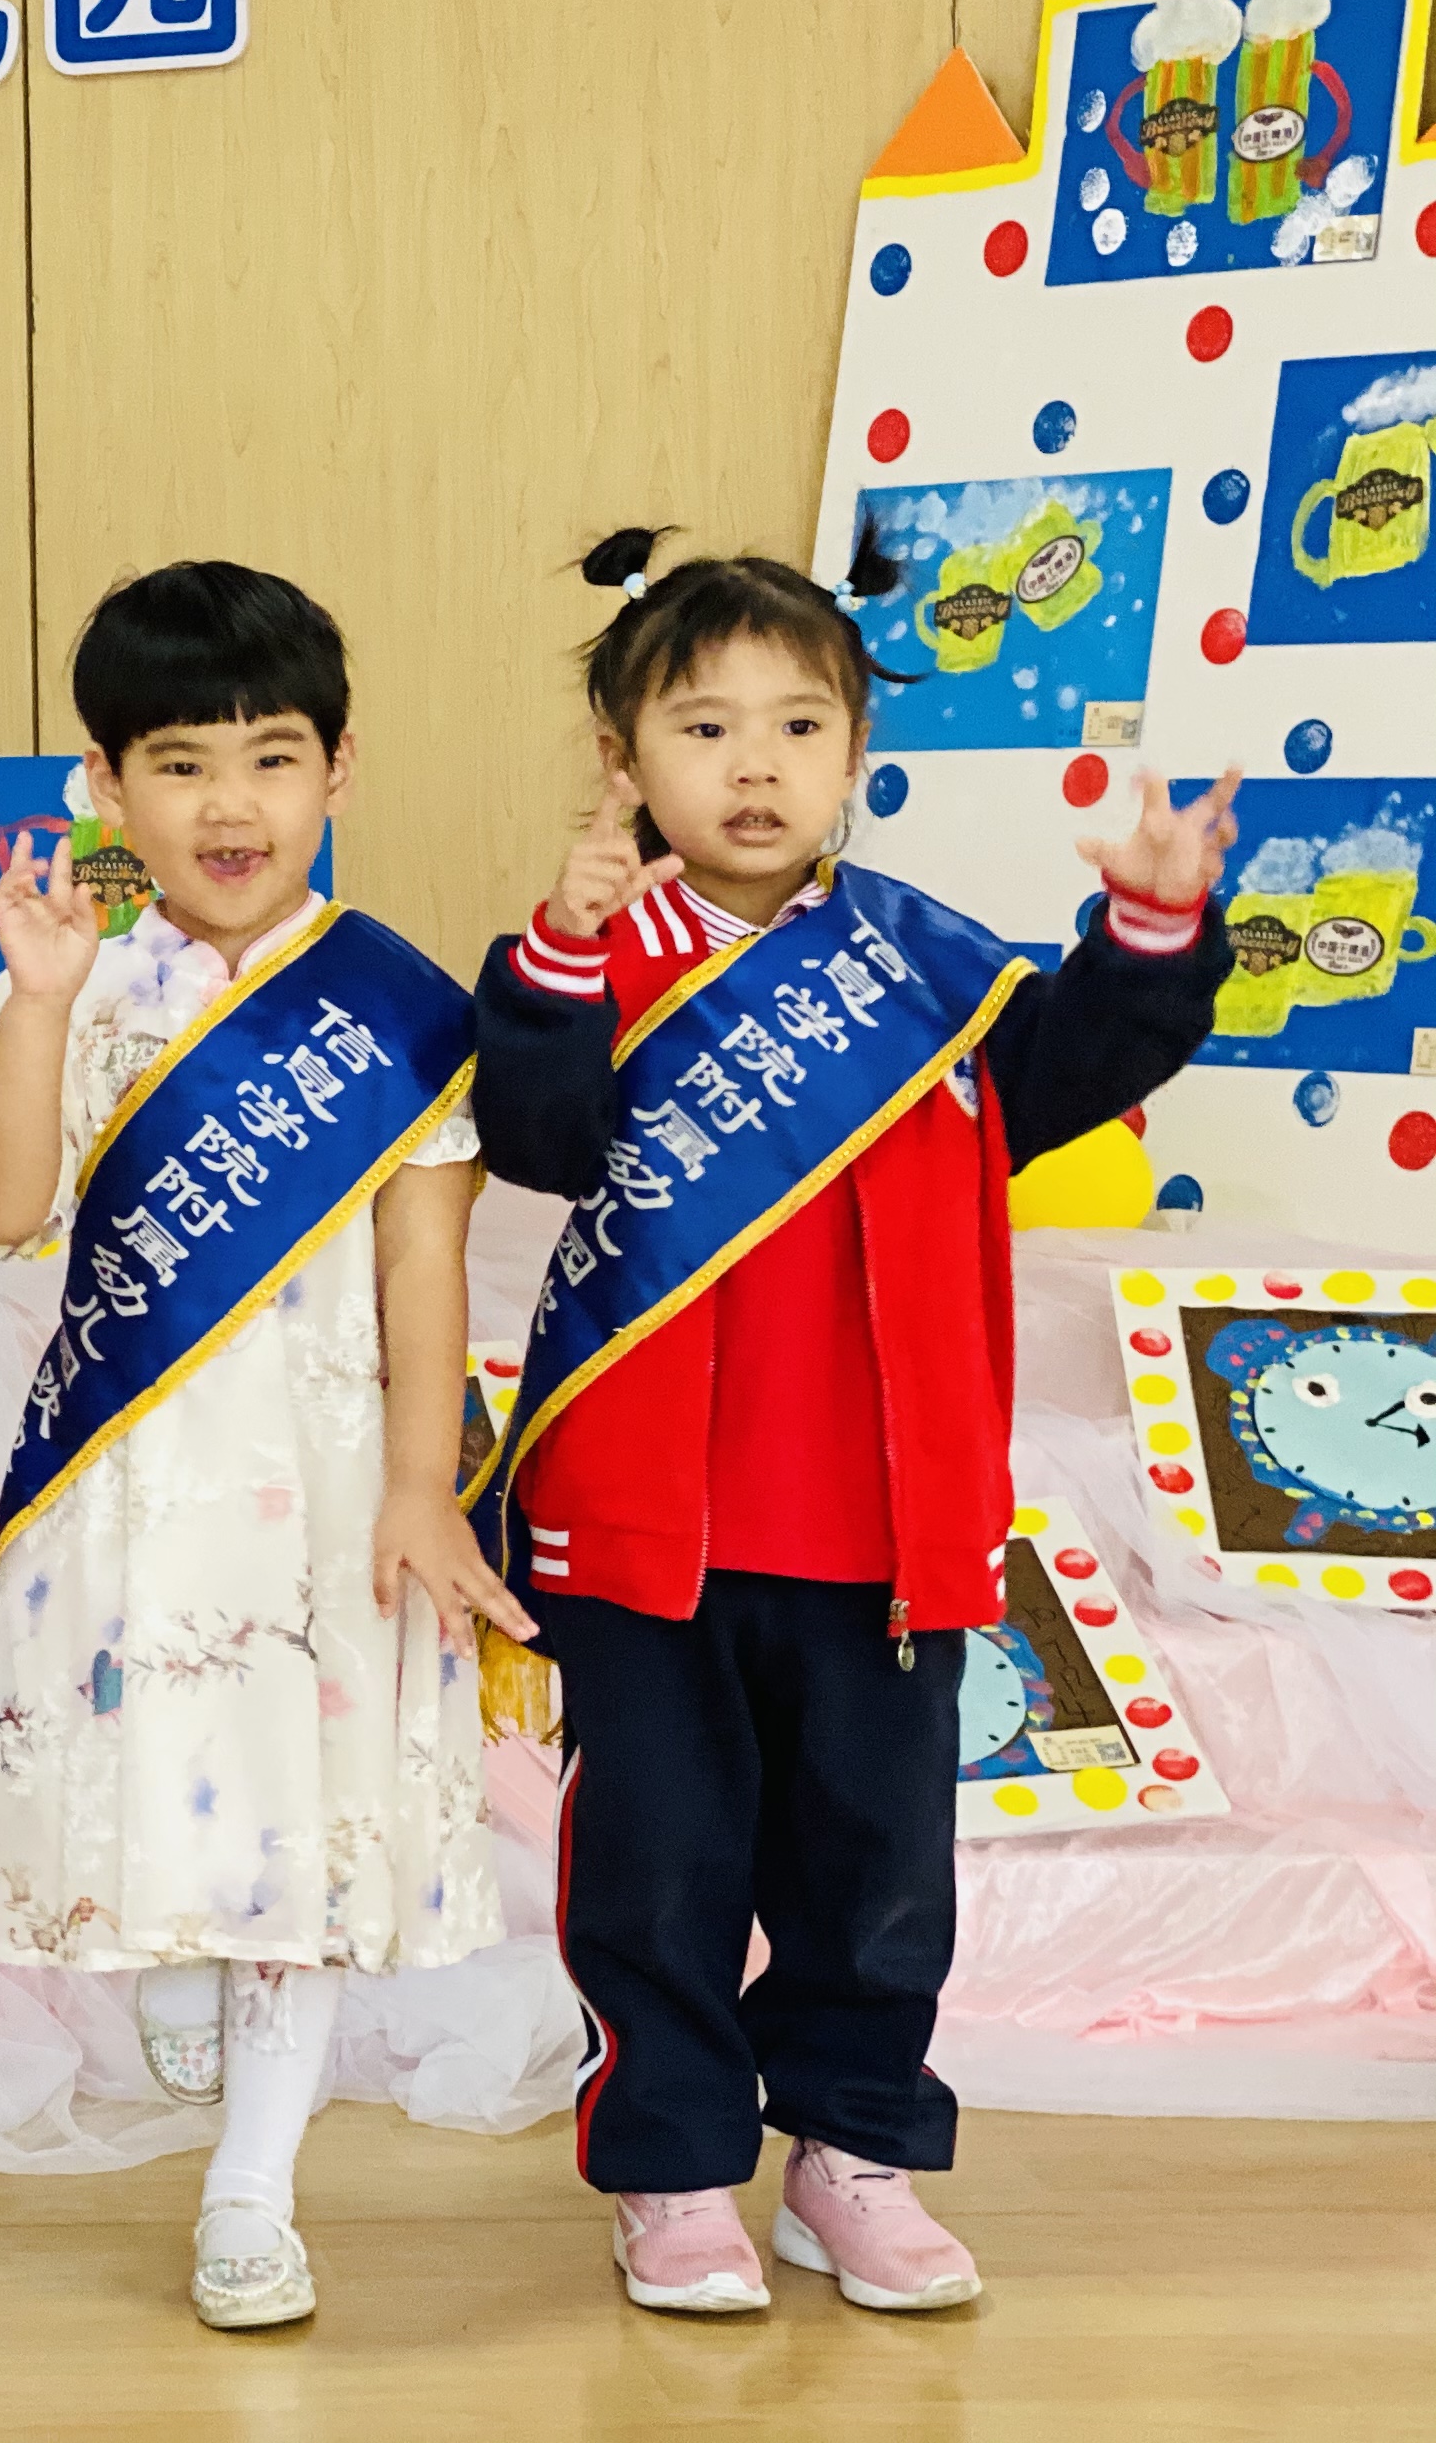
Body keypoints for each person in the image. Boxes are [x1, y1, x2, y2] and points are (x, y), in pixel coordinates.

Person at [469, 527, 1232, 2318]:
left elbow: (1075, 1067)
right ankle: (672, 2174)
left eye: (798, 725)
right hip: (650, 1527)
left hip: (886, 1528)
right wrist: (559, 953)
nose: (755, 765)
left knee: (877, 1879)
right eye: (705, 727)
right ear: (622, 758)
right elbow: (539, 1139)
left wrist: (1147, 932)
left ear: (856, 749)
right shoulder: (591, 957)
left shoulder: (925, 969)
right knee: (656, 1874)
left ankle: (852, 2158)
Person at [0, 560, 513, 2330]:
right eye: (180, 763)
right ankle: (176, 1965)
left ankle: (253, 2187)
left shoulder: (397, 1007)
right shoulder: (80, 980)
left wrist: (421, 1489)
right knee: (158, 1795)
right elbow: (0, 1213)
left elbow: (426, 1265)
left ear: (339, 767)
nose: (230, 803)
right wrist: (40, 1001)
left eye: (272, 757)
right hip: (127, 1489)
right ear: (108, 786)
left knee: (305, 1848)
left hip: (332, 1494)